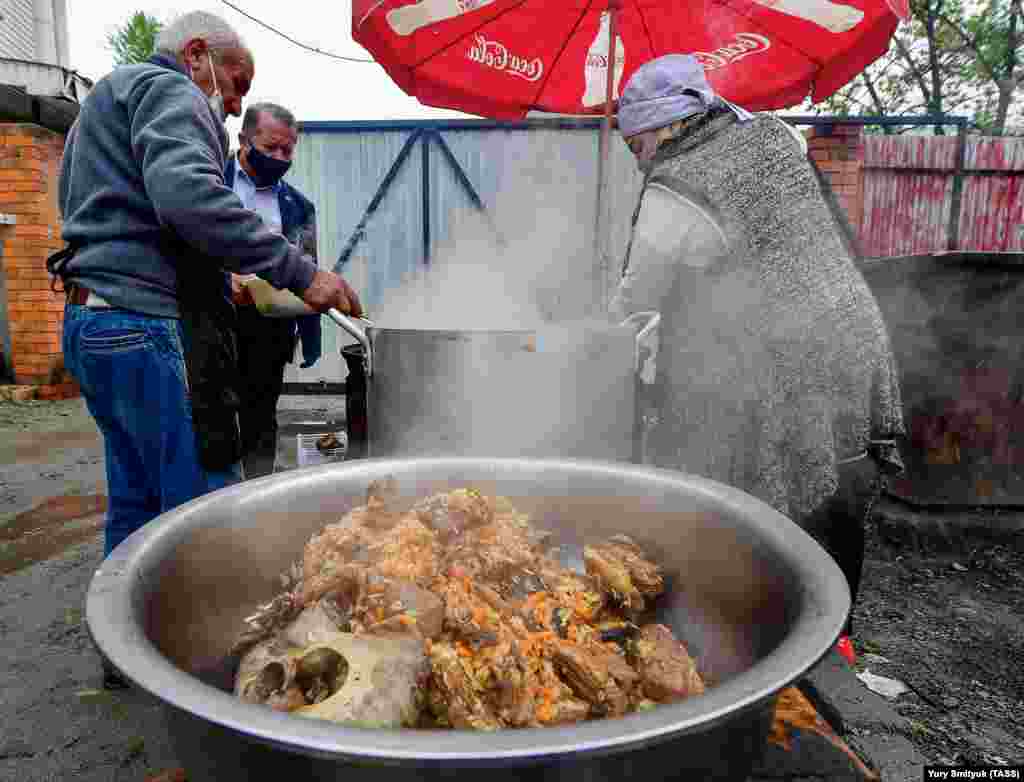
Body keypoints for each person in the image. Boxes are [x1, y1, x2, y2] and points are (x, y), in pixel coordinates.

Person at [49, 11, 361, 687]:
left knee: (135, 501)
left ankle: (127, 662)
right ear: (197, 55)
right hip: (146, 323)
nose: (236, 102)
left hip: (93, 322)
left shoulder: (107, 99)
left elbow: (128, 214)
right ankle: (214, 679)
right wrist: (303, 273)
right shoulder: (172, 93)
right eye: (236, 82)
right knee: (206, 508)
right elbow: (187, 197)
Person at [610, 54, 904, 645]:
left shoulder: (677, 185)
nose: (637, 161)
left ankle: (771, 638)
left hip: (783, 355)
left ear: (659, 127)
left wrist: (603, 336)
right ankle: (835, 637)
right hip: (850, 333)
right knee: (839, 478)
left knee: (771, 489)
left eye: (634, 145)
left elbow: (636, 299)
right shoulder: (774, 135)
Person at [226, 102, 321, 478]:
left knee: (261, 415)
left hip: (270, 324)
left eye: (288, 149)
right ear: (243, 140)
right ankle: (213, 495)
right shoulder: (209, 182)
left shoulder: (297, 205)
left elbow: (308, 270)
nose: (281, 157)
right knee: (211, 416)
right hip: (212, 318)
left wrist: (310, 336)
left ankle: (257, 490)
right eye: (270, 148)